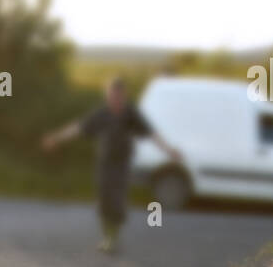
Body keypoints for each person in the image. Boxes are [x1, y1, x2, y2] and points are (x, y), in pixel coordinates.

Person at [42, 77, 180, 252]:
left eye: (117, 96)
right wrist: (56, 138)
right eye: (111, 96)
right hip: (105, 163)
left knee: (117, 199)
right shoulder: (101, 114)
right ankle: (107, 236)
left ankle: (113, 238)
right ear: (108, 96)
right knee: (104, 200)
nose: (114, 100)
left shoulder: (131, 114)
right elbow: (78, 128)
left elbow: (152, 134)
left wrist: (169, 150)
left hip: (122, 164)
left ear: (123, 96)